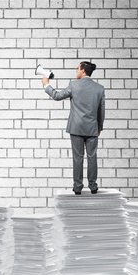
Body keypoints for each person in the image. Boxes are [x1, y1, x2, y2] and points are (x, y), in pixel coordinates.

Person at [41, 61, 105, 195]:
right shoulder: (99, 88)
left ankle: (77, 187)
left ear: (83, 71)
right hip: (92, 128)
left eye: (77, 69)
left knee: (78, 157)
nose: (76, 71)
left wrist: (46, 84)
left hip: (76, 127)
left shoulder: (74, 85)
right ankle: (93, 186)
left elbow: (57, 96)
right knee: (92, 157)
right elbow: (101, 110)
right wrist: (99, 127)